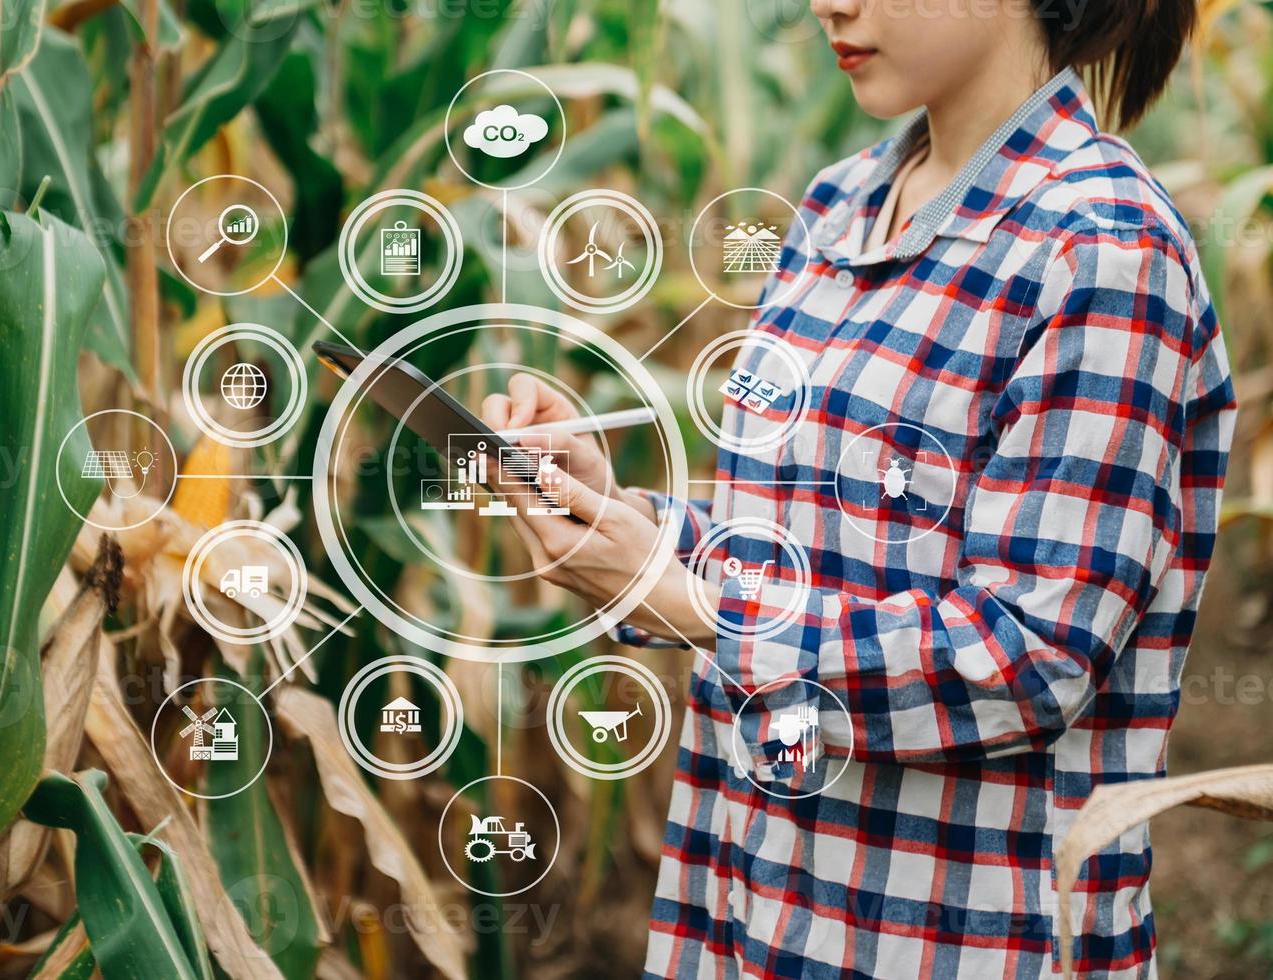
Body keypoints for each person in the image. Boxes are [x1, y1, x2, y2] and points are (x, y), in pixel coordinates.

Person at [481, 0, 1236, 976]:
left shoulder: (1103, 252)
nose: (829, 3)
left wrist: (708, 611)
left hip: (951, 940)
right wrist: (634, 523)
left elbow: (1031, 650)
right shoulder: (837, 208)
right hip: (757, 898)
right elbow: (797, 551)